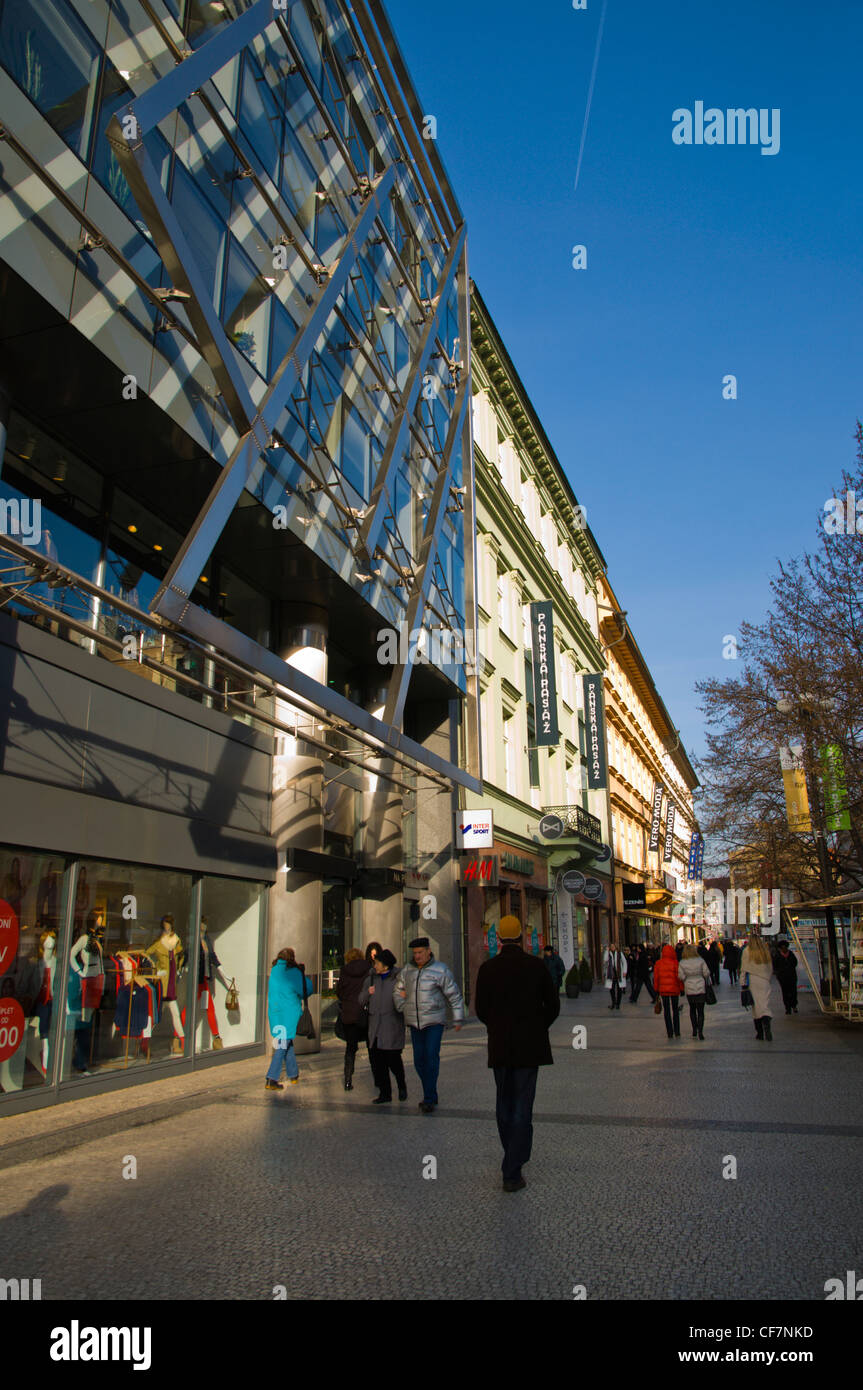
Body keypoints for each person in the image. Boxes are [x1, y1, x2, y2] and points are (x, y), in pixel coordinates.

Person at [474, 914, 560, 1193]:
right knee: (523, 1103)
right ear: (522, 937)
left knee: (504, 1102)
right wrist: (538, 1027)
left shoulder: (488, 969)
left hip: (500, 1046)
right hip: (530, 1047)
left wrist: (497, 1028)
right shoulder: (536, 967)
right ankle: (513, 1168)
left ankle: (513, 1157)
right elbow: (553, 1005)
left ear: (498, 938)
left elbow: (481, 1010)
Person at [392, 936, 464, 1113]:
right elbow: (397, 990)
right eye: (415, 953)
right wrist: (403, 1007)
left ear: (428, 951)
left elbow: (453, 994)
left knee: (431, 1057)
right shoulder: (407, 971)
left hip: (434, 1021)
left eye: (420, 952)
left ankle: (429, 1098)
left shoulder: (440, 970)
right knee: (419, 1061)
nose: (417, 956)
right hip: (415, 1023)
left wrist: (458, 1017)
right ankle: (431, 1090)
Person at [359, 948, 406, 1103]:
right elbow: (361, 1000)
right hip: (375, 1028)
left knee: (393, 1061)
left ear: (386, 966)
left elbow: (404, 1001)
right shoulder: (371, 979)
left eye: (378, 963)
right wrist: (368, 993)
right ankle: (385, 1094)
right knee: (379, 1064)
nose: (375, 965)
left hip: (391, 1026)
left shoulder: (398, 979)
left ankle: (401, 1085)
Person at [265, 947, 315, 1090]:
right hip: (289, 1014)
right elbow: (307, 988)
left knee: (286, 1043)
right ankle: (271, 1078)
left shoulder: (274, 970)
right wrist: (302, 973)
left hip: (275, 1013)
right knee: (282, 1045)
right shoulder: (293, 972)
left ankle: (293, 1074)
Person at [335, 947, 371, 1091]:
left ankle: (348, 1079)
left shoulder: (345, 971)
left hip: (349, 1014)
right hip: (365, 1013)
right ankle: (378, 1079)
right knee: (372, 1047)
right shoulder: (369, 969)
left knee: (350, 1049)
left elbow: (340, 992)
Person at [740, 935, 775, 1041]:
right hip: (764, 980)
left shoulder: (747, 951)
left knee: (756, 1006)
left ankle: (759, 1032)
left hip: (753, 980)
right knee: (764, 1004)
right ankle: (766, 1020)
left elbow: (743, 968)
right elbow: (770, 967)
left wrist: (742, 982)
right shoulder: (765, 951)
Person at [678, 943, 712, 1040]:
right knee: (700, 1011)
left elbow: (680, 976)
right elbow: (706, 973)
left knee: (692, 1009)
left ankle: (694, 1029)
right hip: (700, 986)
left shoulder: (682, 962)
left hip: (689, 987)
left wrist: (686, 979)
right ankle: (700, 1031)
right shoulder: (700, 961)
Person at [654, 944, 683, 1039]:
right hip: (674, 990)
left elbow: (656, 978)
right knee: (675, 1010)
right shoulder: (675, 963)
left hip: (663, 990)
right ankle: (677, 1031)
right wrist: (682, 989)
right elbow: (679, 978)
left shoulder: (658, 963)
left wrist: (656, 990)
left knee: (666, 1011)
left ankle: (669, 1032)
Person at [773, 941, 799, 1015]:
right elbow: (775, 965)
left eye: (785, 948)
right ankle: (787, 1008)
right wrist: (779, 973)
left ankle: (794, 1005)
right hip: (782, 977)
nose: (784, 949)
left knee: (793, 991)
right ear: (780, 948)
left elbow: (795, 963)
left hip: (792, 976)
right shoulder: (777, 955)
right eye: (782, 948)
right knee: (785, 992)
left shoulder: (791, 954)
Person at [603, 943, 627, 1009]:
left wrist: (625, 971)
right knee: (611, 989)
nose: (612, 947)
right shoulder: (608, 953)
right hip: (611, 974)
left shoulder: (619, 953)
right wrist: (606, 951)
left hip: (618, 974)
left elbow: (624, 962)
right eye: (611, 946)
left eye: (613, 946)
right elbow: (605, 960)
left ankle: (618, 1004)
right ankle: (613, 1002)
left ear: (616, 947)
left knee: (619, 989)